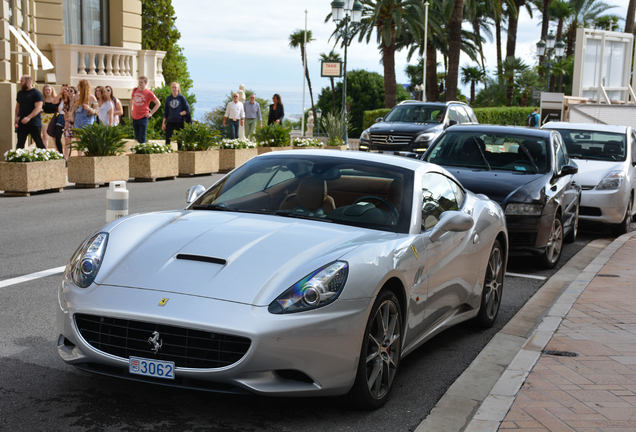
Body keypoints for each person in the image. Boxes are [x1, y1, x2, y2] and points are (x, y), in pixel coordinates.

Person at [14, 75, 45, 149]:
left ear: (27, 82)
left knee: (39, 142)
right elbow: (18, 106)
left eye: (22, 81)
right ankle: (18, 158)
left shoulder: (36, 93)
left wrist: (28, 117)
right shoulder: (20, 93)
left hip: (34, 123)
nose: (20, 83)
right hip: (22, 123)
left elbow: (38, 108)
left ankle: (46, 159)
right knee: (20, 143)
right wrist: (16, 117)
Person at [131, 76, 161, 143]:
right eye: (139, 82)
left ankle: (143, 151)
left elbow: (158, 103)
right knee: (137, 136)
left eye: (141, 82)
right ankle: (139, 150)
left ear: (145, 83)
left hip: (143, 117)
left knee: (142, 136)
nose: (140, 84)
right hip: (135, 117)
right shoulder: (135, 90)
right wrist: (131, 110)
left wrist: (150, 113)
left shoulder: (149, 93)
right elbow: (132, 99)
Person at [162, 82, 190, 149]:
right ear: (171, 88)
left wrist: (179, 114)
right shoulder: (168, 98)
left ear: (178, 88)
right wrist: (163, 123)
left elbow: (187, 109)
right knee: (168, 138)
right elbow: (166, 111)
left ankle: (180, 152)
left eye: (175, 87)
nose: (174, 89)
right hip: (170, 121)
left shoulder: (181, 98)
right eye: (172, 87)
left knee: (179, 139)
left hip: (179, 121)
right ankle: (167, 150)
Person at [53, 84, 69, 155]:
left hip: (68, 118)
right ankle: (60, 153)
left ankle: (67, 156)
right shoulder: (61, 99)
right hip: (60, 117)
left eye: (66, 89)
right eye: (63, 89)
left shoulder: (71, 99)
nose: (64, 91)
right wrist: (60, 93)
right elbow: (54, 102)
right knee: (57, 137)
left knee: (67, 139)